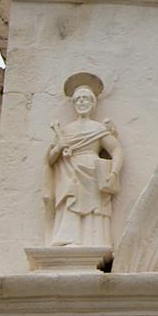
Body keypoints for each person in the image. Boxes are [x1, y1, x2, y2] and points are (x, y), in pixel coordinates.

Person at [44, 74, 122, 249]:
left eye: (86, 99)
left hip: (93, 172)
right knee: (70, 202)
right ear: (73, 104)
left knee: (94, 207)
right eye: (78, 99)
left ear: (93, 103)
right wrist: (58, 148)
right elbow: (50, 159)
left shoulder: (99, 129)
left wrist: (113, 173)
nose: (81, 102)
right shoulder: (65, 131)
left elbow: (116, 149)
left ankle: (94, 241)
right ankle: (70, 239)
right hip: (69, 172)